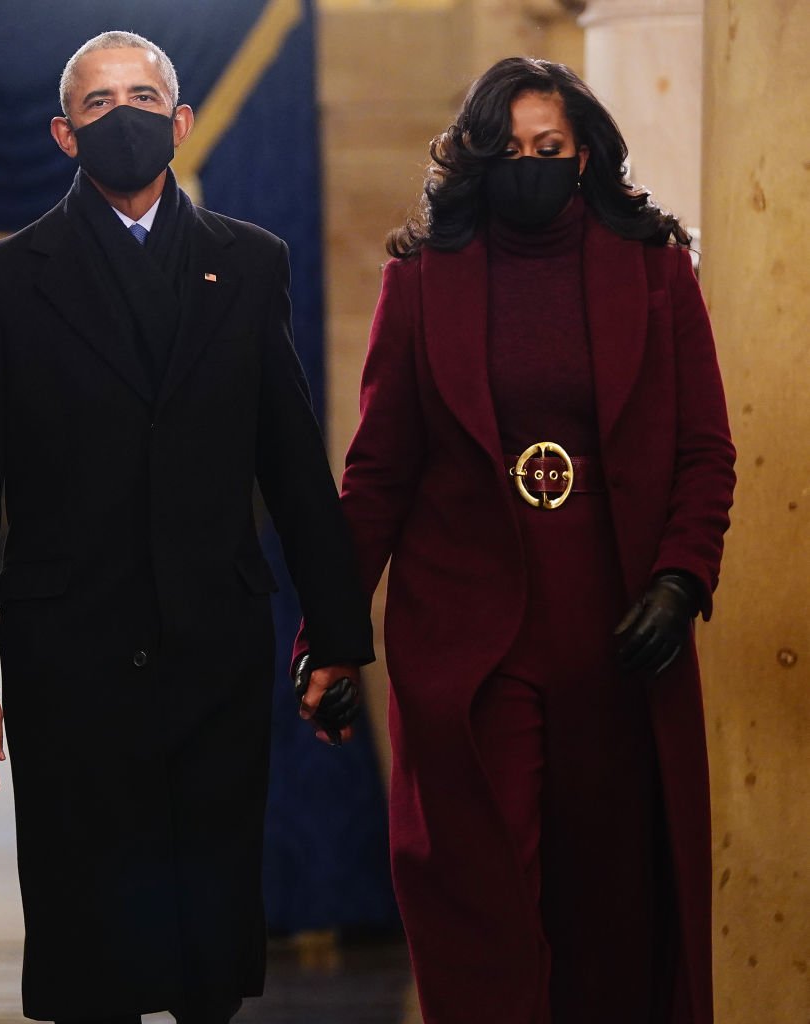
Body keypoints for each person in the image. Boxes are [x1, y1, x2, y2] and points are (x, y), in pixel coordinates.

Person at [0, 30, 373, 1024]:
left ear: (179, 122)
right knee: (94, 949)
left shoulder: (250, 266)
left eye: (141, 96)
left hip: (212, 649)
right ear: (63, 134)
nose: (120, 114)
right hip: (67, 660)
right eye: (97, 103)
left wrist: (337, 639)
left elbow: (293, 466)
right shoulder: (4, 282)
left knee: (208, 940)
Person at [305, 57, 736, 1024]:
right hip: (468, 647)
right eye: (505, 151)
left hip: (617, 640)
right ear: (471, 160)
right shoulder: (421, 280)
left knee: (612, 919)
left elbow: (705, 452)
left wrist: (681, 579)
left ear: (585, 153)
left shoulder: (657, 268)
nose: (529, 165)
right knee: (481, 909)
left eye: (549, 148)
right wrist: (328, 635)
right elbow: (376, 475)